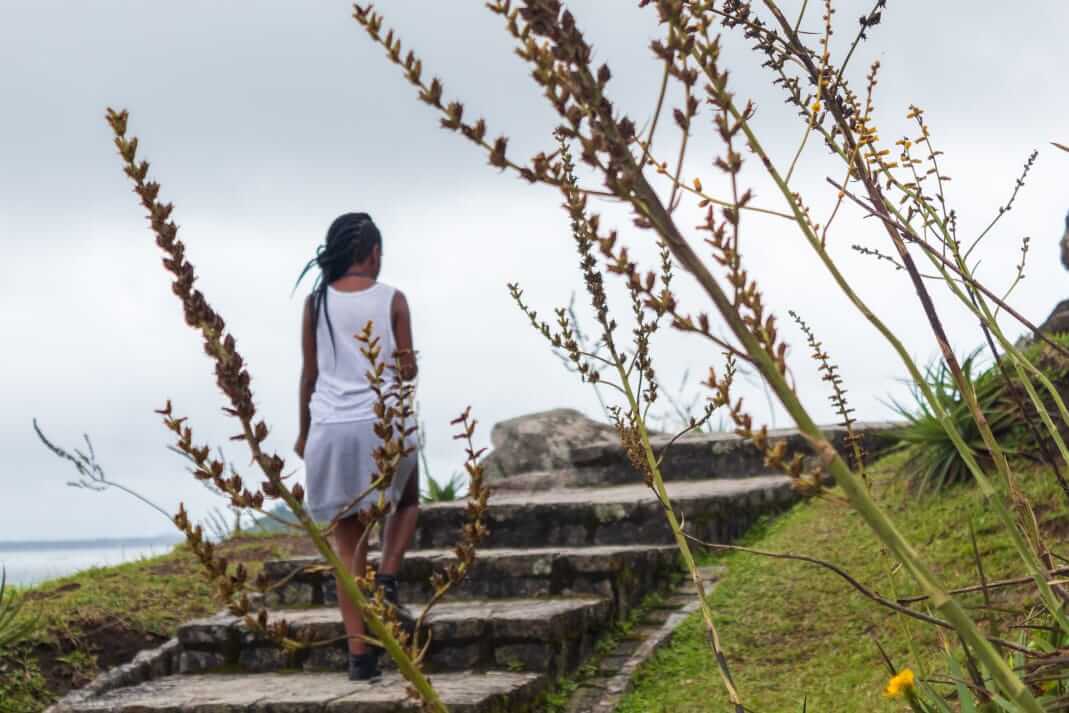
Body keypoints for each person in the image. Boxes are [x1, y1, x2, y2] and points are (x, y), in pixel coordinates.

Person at [293, 212, 420, 682]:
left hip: (329, 428)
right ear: (372, 254)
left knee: (348, 550)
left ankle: (360, 657)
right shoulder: (393, 300)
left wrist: (304, 433)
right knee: (406, 501)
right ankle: (388, 577)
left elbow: (309, 375)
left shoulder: (316, 303)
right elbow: (407, 371)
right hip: (383, 424)